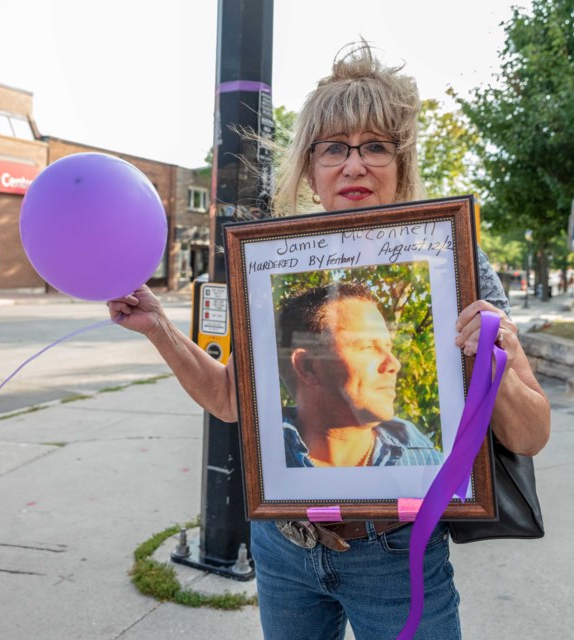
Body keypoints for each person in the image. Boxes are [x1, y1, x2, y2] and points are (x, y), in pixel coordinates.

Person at [108, 41, 550, 640]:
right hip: (284, 548)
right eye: (335, 148)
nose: (354, 165)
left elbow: (529, 434)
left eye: (375, 147)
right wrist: (158, 327)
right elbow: (230, 401)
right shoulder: (271, 264)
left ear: (401, 164)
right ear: (311, 170)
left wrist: (498, 359)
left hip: (395, 555)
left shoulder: (455, 261)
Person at [276, 281, 443, 468]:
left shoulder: (429, 464)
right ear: (308, 367)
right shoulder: (255, 460)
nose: (394, 364)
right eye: (367, 347)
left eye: (389, 347)